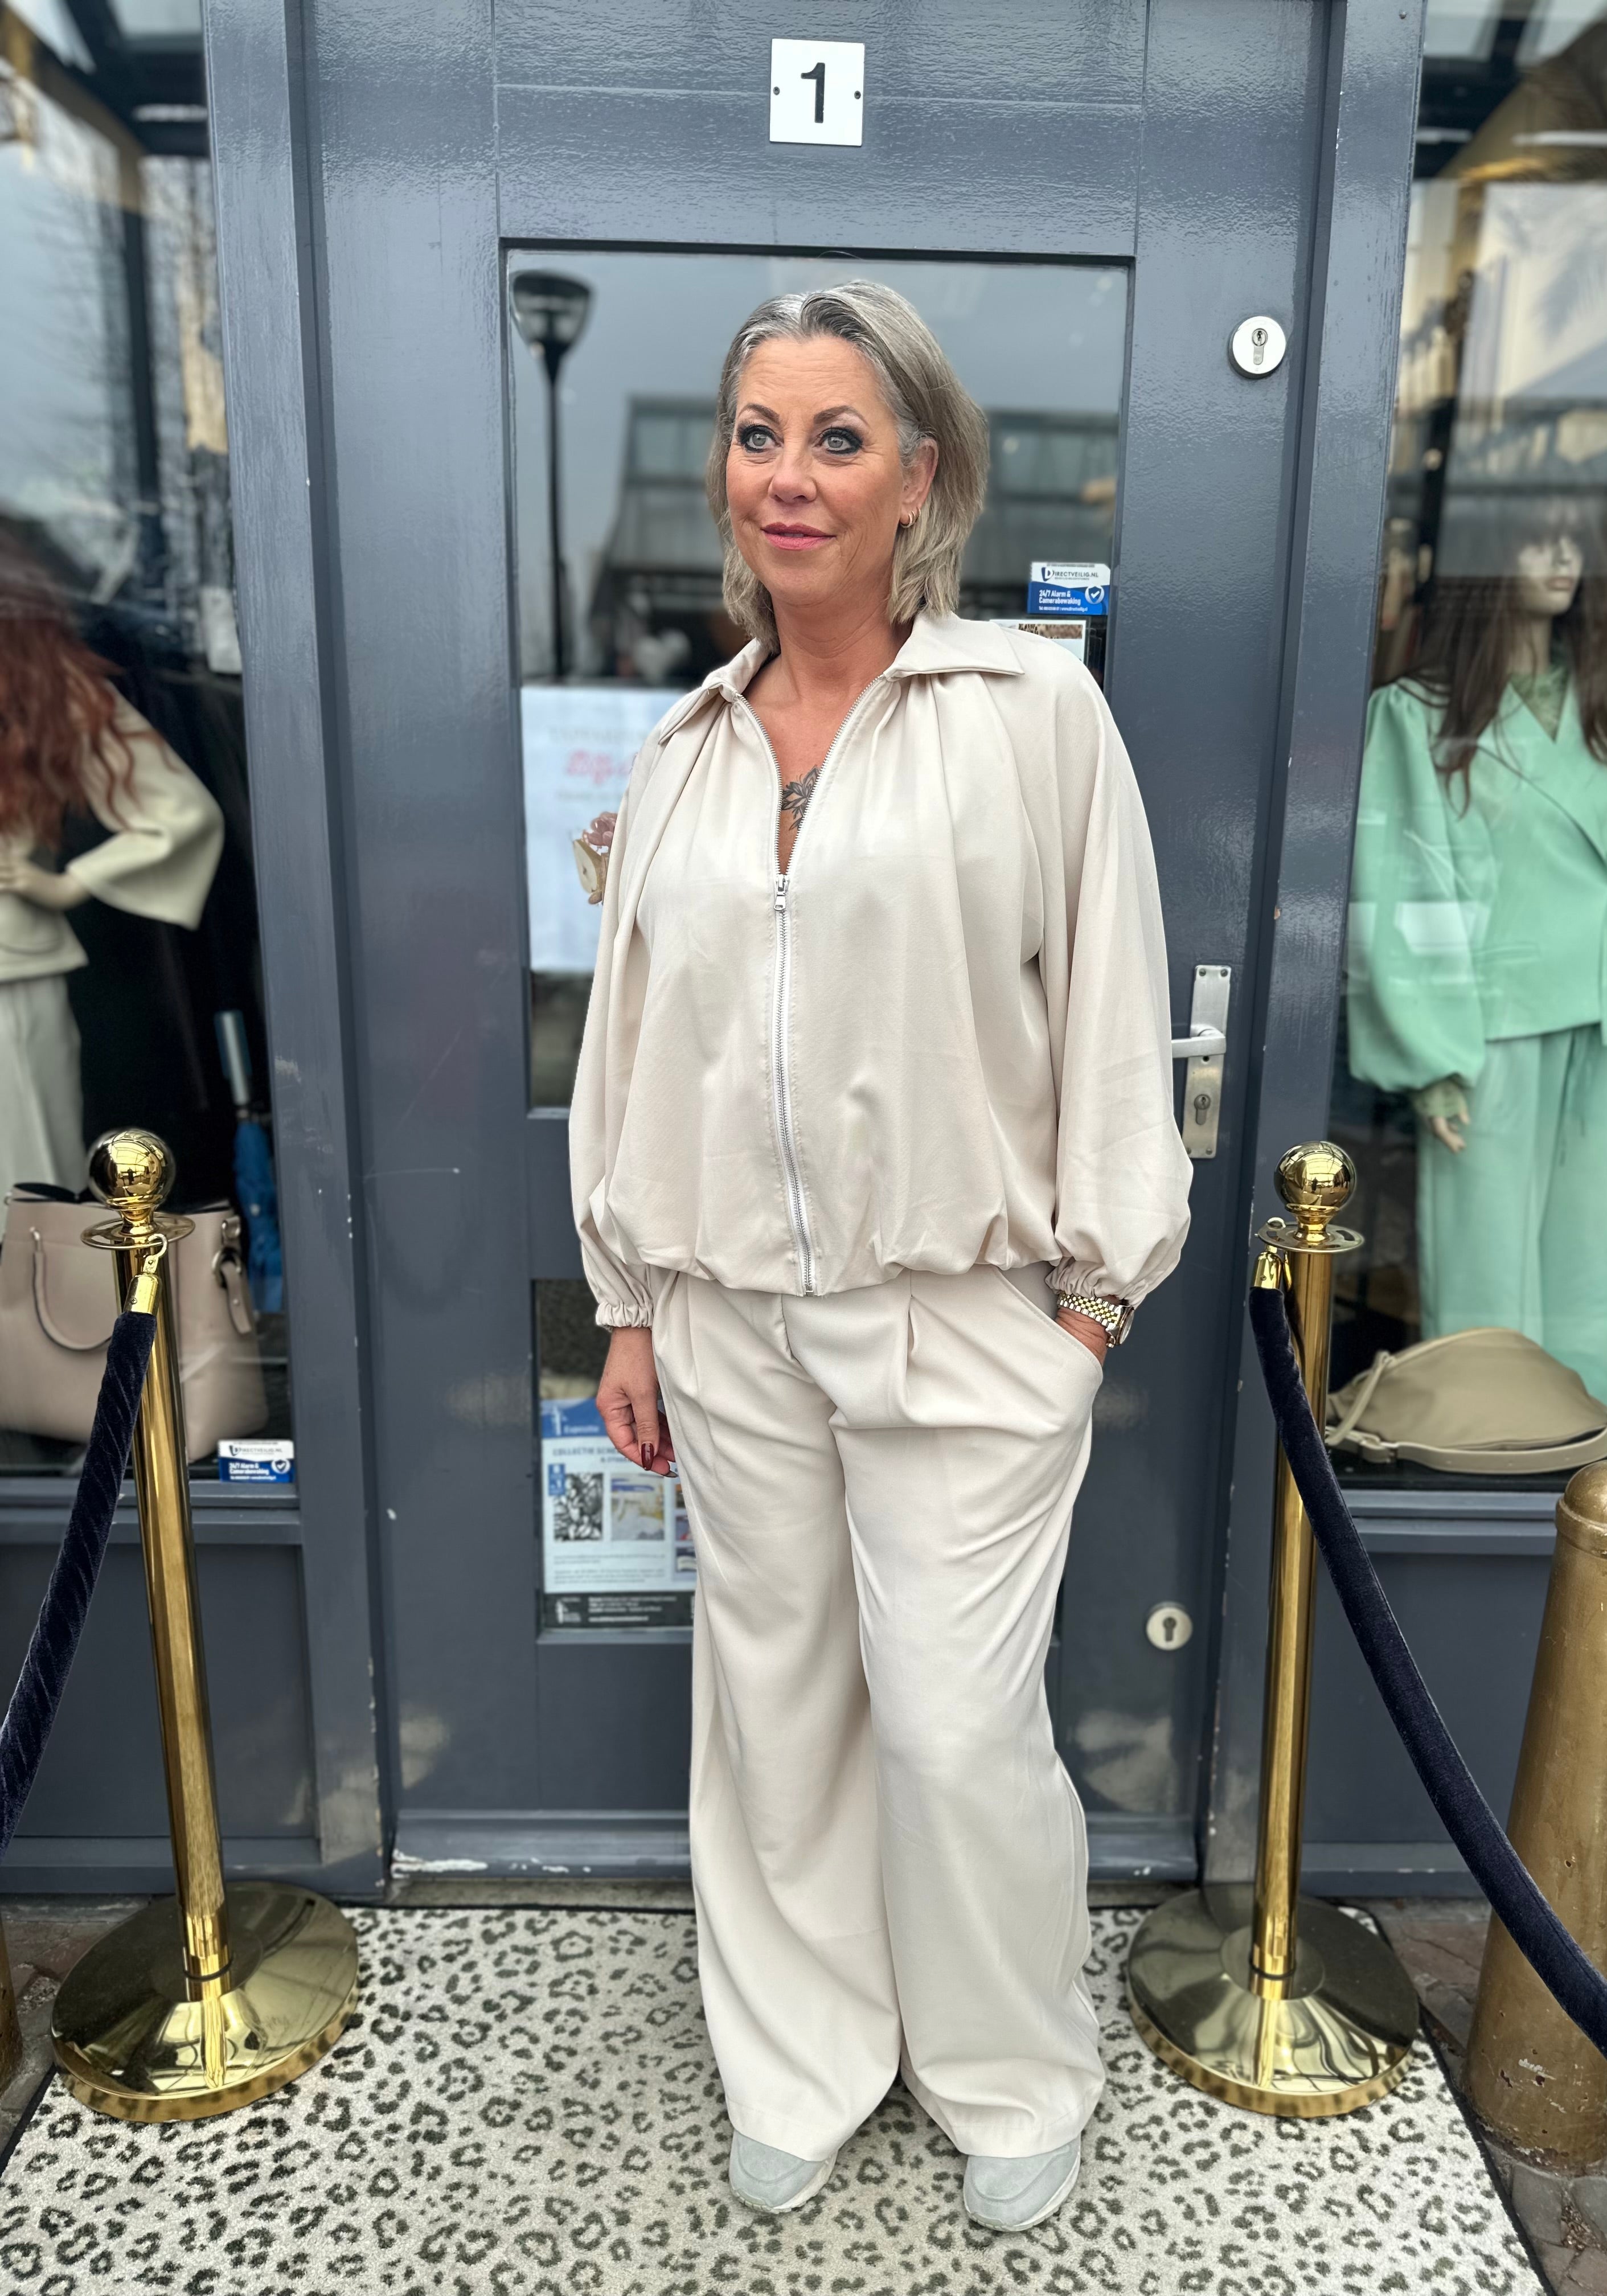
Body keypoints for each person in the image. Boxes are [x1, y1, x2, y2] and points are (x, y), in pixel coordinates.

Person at [569, 281, 1190, 2232]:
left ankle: (1008, 2067)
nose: (790, 476)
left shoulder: (1029, 716)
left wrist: (1092, 1302)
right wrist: (630, 1305)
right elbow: (633, 1050)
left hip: (964, 1322)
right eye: (759, 434)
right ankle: (803, 2054)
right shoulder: (686, 748)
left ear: (920, 477)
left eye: (837, 438)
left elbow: (1115, 1012)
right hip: (730, 1321)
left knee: (952, 1726)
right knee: (777, 1713)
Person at [1347, 498, 1607, 1408]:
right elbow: (1401, 896)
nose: (1562, 558)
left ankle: (1575, 1445)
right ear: (1487, 560)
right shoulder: (1418, 715)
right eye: (1536, 539)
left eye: (1573, 541)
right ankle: (1484, 1450)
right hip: (1489, 1022)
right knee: (1482, 1258)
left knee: (1589, 1260)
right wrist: (1430, 1055)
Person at [0, 537, 224, 1211]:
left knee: (28, 1197)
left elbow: (179, 812)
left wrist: (70, 882)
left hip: (12, 969)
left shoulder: (42, 685)